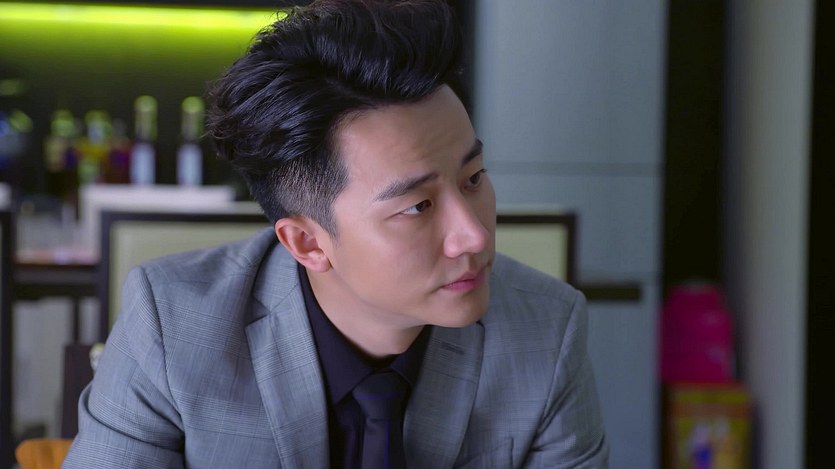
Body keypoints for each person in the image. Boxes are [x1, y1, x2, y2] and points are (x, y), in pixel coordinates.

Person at [63, 0, 608, 467]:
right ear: (307, 243)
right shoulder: (173, 325)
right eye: (417, 206)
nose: (475, 236)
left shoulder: (546, 333)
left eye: (474, 178)